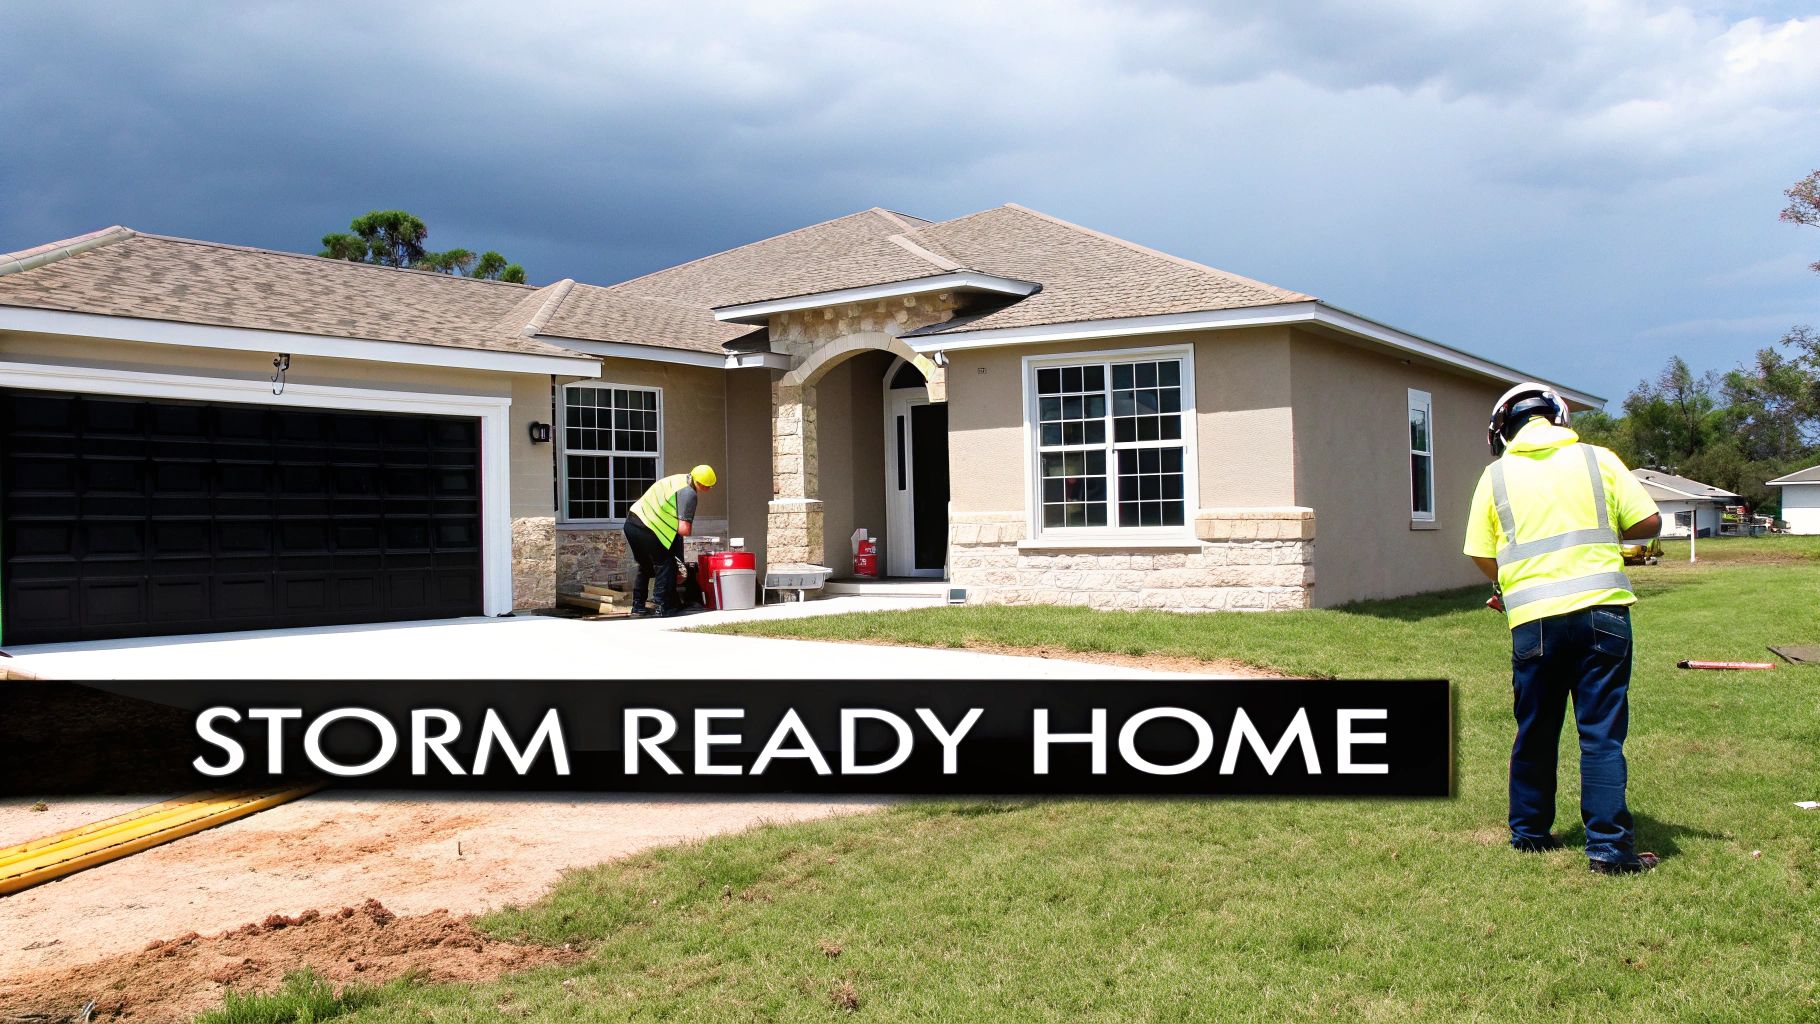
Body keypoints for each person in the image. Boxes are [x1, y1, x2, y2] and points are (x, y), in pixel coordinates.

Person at [1464, 383, 1663, 875]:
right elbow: (1649, 523)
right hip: (1603, 616)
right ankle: (1609, 851)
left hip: (1534, 622)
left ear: (1502, 430)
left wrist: (1510, 581)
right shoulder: (1599, 459)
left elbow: (1478, 551)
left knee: (1535, 731)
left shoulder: (1496, 477)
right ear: (1558, 417)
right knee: (1600, 736)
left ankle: (1530, 835)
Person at [624, 465, 716, 618]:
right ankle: (661, 607)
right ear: (704, 485)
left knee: (646, 567)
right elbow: (683, 530)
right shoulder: (689, 493)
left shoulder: (676, 479)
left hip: (631, 524)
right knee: (666, 564)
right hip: (649, 528)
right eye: (709, 486)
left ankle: (638, 607)